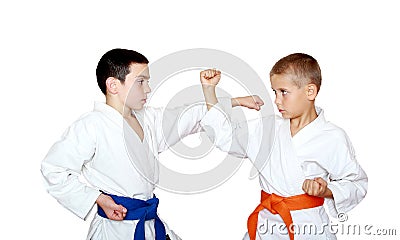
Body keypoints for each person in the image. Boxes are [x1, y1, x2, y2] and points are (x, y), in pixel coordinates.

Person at [40, 48, 258, 240]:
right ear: (113, 85)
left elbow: (191, 115)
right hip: (115, 229)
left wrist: (235, 101)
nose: (148, 89)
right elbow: (53, 169)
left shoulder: (147, 119)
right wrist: (97, 198)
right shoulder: (91, 125)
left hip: (149, 222)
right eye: (140, 82)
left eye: (147, 81)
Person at [199, 53, 368, 240]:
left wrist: (326, 191)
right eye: (275, 92)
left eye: (283, 92)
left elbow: (356, 183)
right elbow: (224, 135)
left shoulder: (332, 137)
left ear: (310, 91)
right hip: (265, 227)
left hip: (307, 229)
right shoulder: (267, 128)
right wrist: (209, 90)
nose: (277, 100)